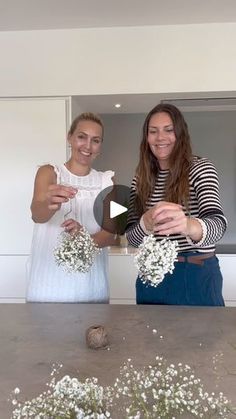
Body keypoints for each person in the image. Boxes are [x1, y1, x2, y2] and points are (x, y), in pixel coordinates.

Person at [126, 103, 227, 306]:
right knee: (149, 337)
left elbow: (218, 224)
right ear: (146, 138)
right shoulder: (141, 177)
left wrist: (188, 225)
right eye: (153, 131)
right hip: (151, 276)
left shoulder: (200, 168)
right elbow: (132, 238)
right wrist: (145, 222)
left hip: (196, 274)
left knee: (203, 337)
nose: (160, 137)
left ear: (180, 134)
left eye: (168, 130)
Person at [26, 112, 116, 303]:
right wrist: (51, 204)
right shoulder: (49, 173)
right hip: (49, 285)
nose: (87, 146)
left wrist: (84, 238)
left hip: (91, 285)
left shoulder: (108, 181)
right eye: (81, 137)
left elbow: (111, 234)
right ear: (70, 137)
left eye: (96, 140)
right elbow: (37, 214)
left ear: (100, 146)